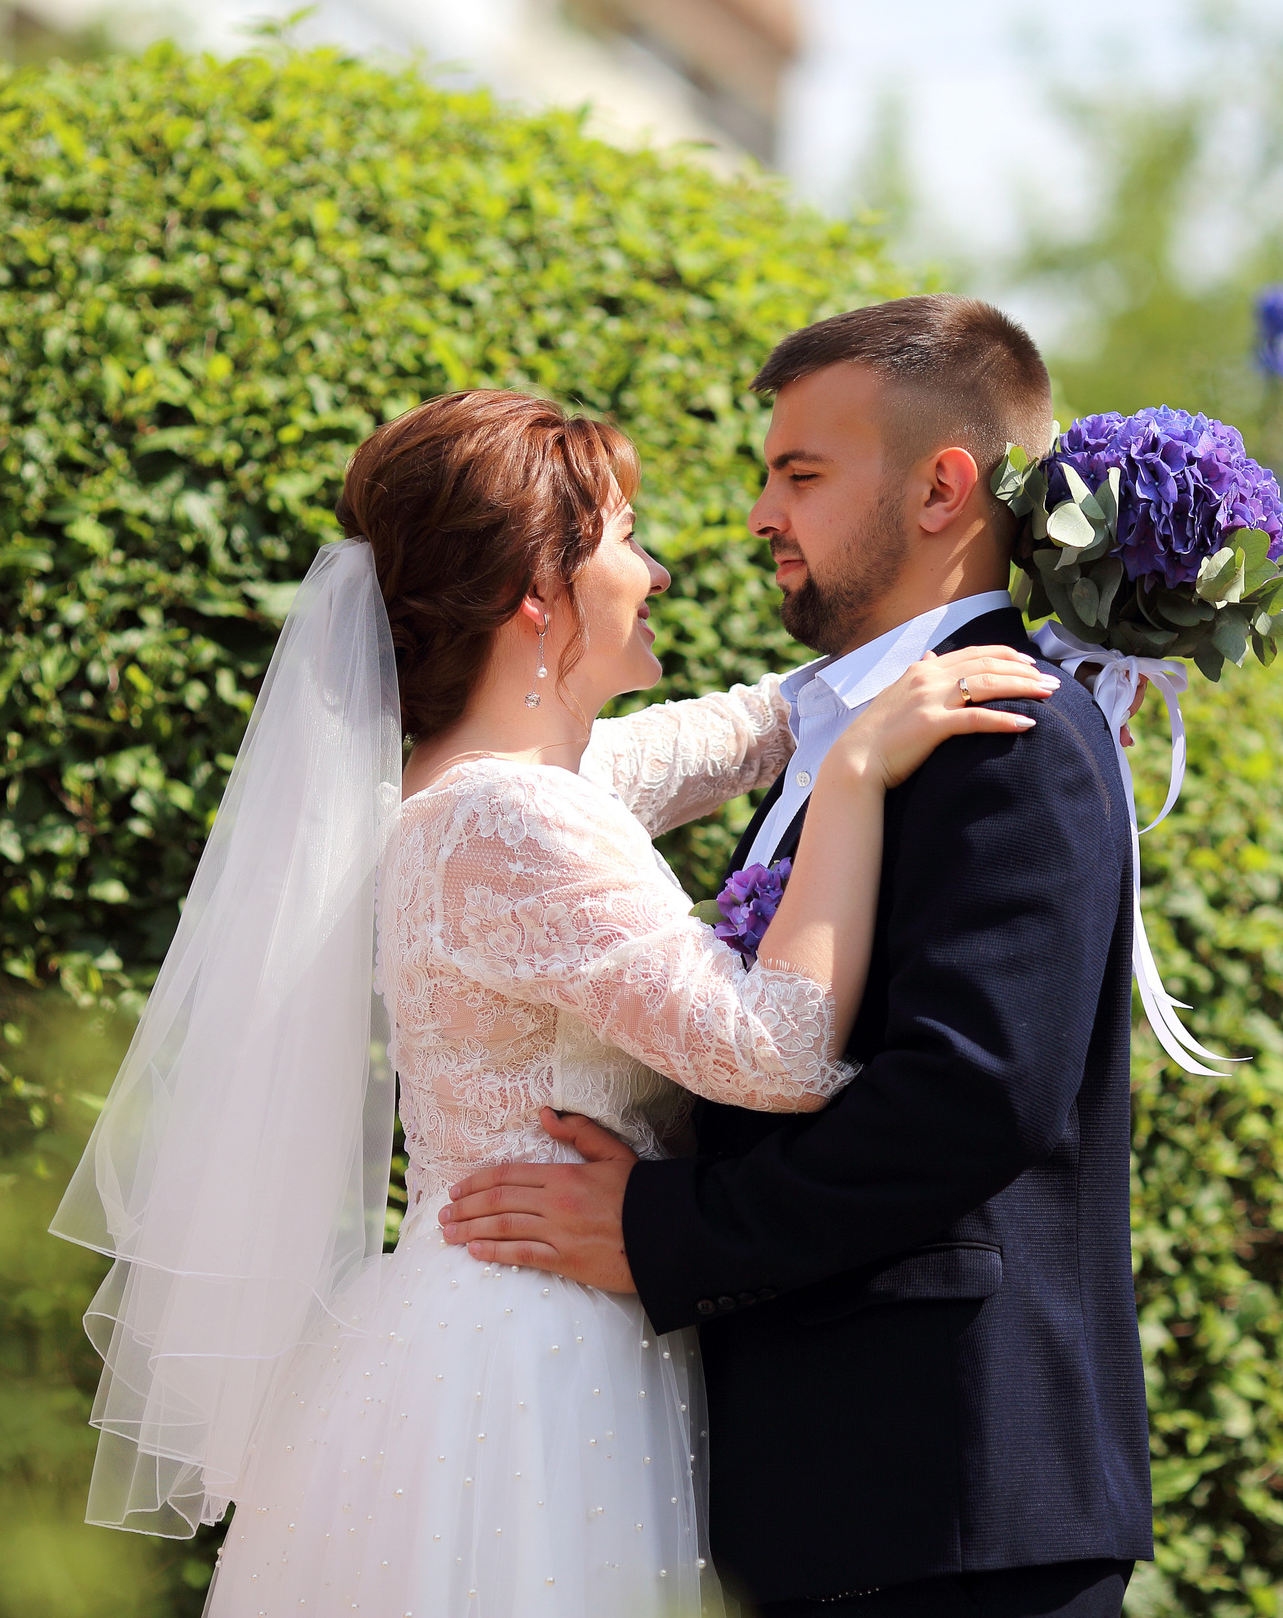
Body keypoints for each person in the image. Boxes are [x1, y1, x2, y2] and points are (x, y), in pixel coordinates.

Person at [53, 387, 1056, 1617]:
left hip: (507, 1318)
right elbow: (776, 1050)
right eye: (626, 537)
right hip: (529, 1353)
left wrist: (1006, 629)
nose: (659, 571)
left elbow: (739, 730)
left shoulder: (483, 784)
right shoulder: (508, 816)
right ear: (540, 590)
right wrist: (853, 773)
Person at [442, 297, 1156, 1617]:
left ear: (944, 487)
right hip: (843, 1504)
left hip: (954, 1504)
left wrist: (670, 1227)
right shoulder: (845, 730)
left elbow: (972, 1093)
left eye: (801, 474)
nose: (762, 512)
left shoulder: (1012, 729)